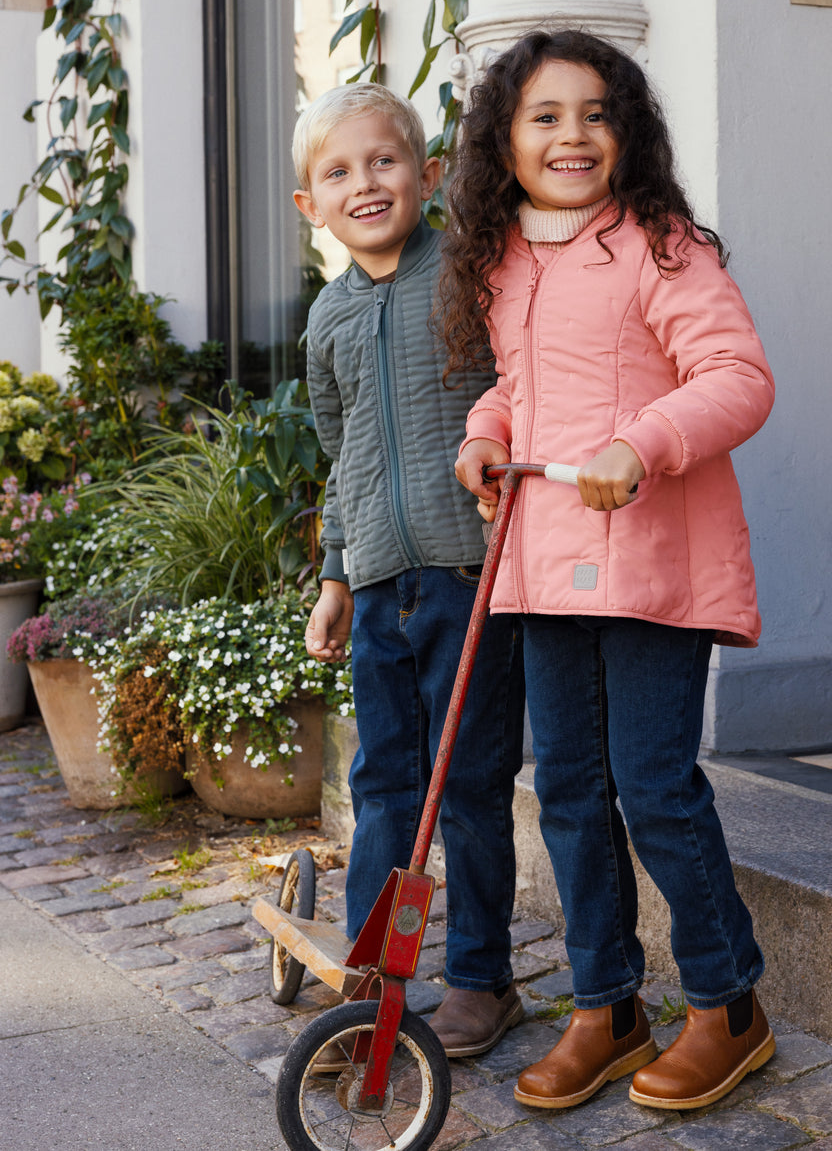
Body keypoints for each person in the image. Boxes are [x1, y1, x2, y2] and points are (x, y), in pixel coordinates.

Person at [438, 29, 776, 1111]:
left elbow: (736, 376)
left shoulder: (661, 247)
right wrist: (484, 435)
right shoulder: (505, 260)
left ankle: (727, 1006)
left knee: (655, 789)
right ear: (505, 140)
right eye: (544, 116)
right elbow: (520, 387)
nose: (572, 134)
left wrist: (645, 442)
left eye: (594, 112)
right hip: (542, 564)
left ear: (625, 131)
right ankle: (606, 1003)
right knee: (572, 792)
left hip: (648, 567)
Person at [296, 82, 525, 1057]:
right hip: (383, 587)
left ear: (428, 175)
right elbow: (342, 456)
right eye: (338, 172)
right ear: (311, 206)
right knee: (384, 779)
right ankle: (367, 971)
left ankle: (480, 975)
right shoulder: (327, 321)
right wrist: (337, 576)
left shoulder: (467, 278)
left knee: (469, 781)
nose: (365, 184)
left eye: (384, 161)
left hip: (471, 579)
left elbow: (518, 392)